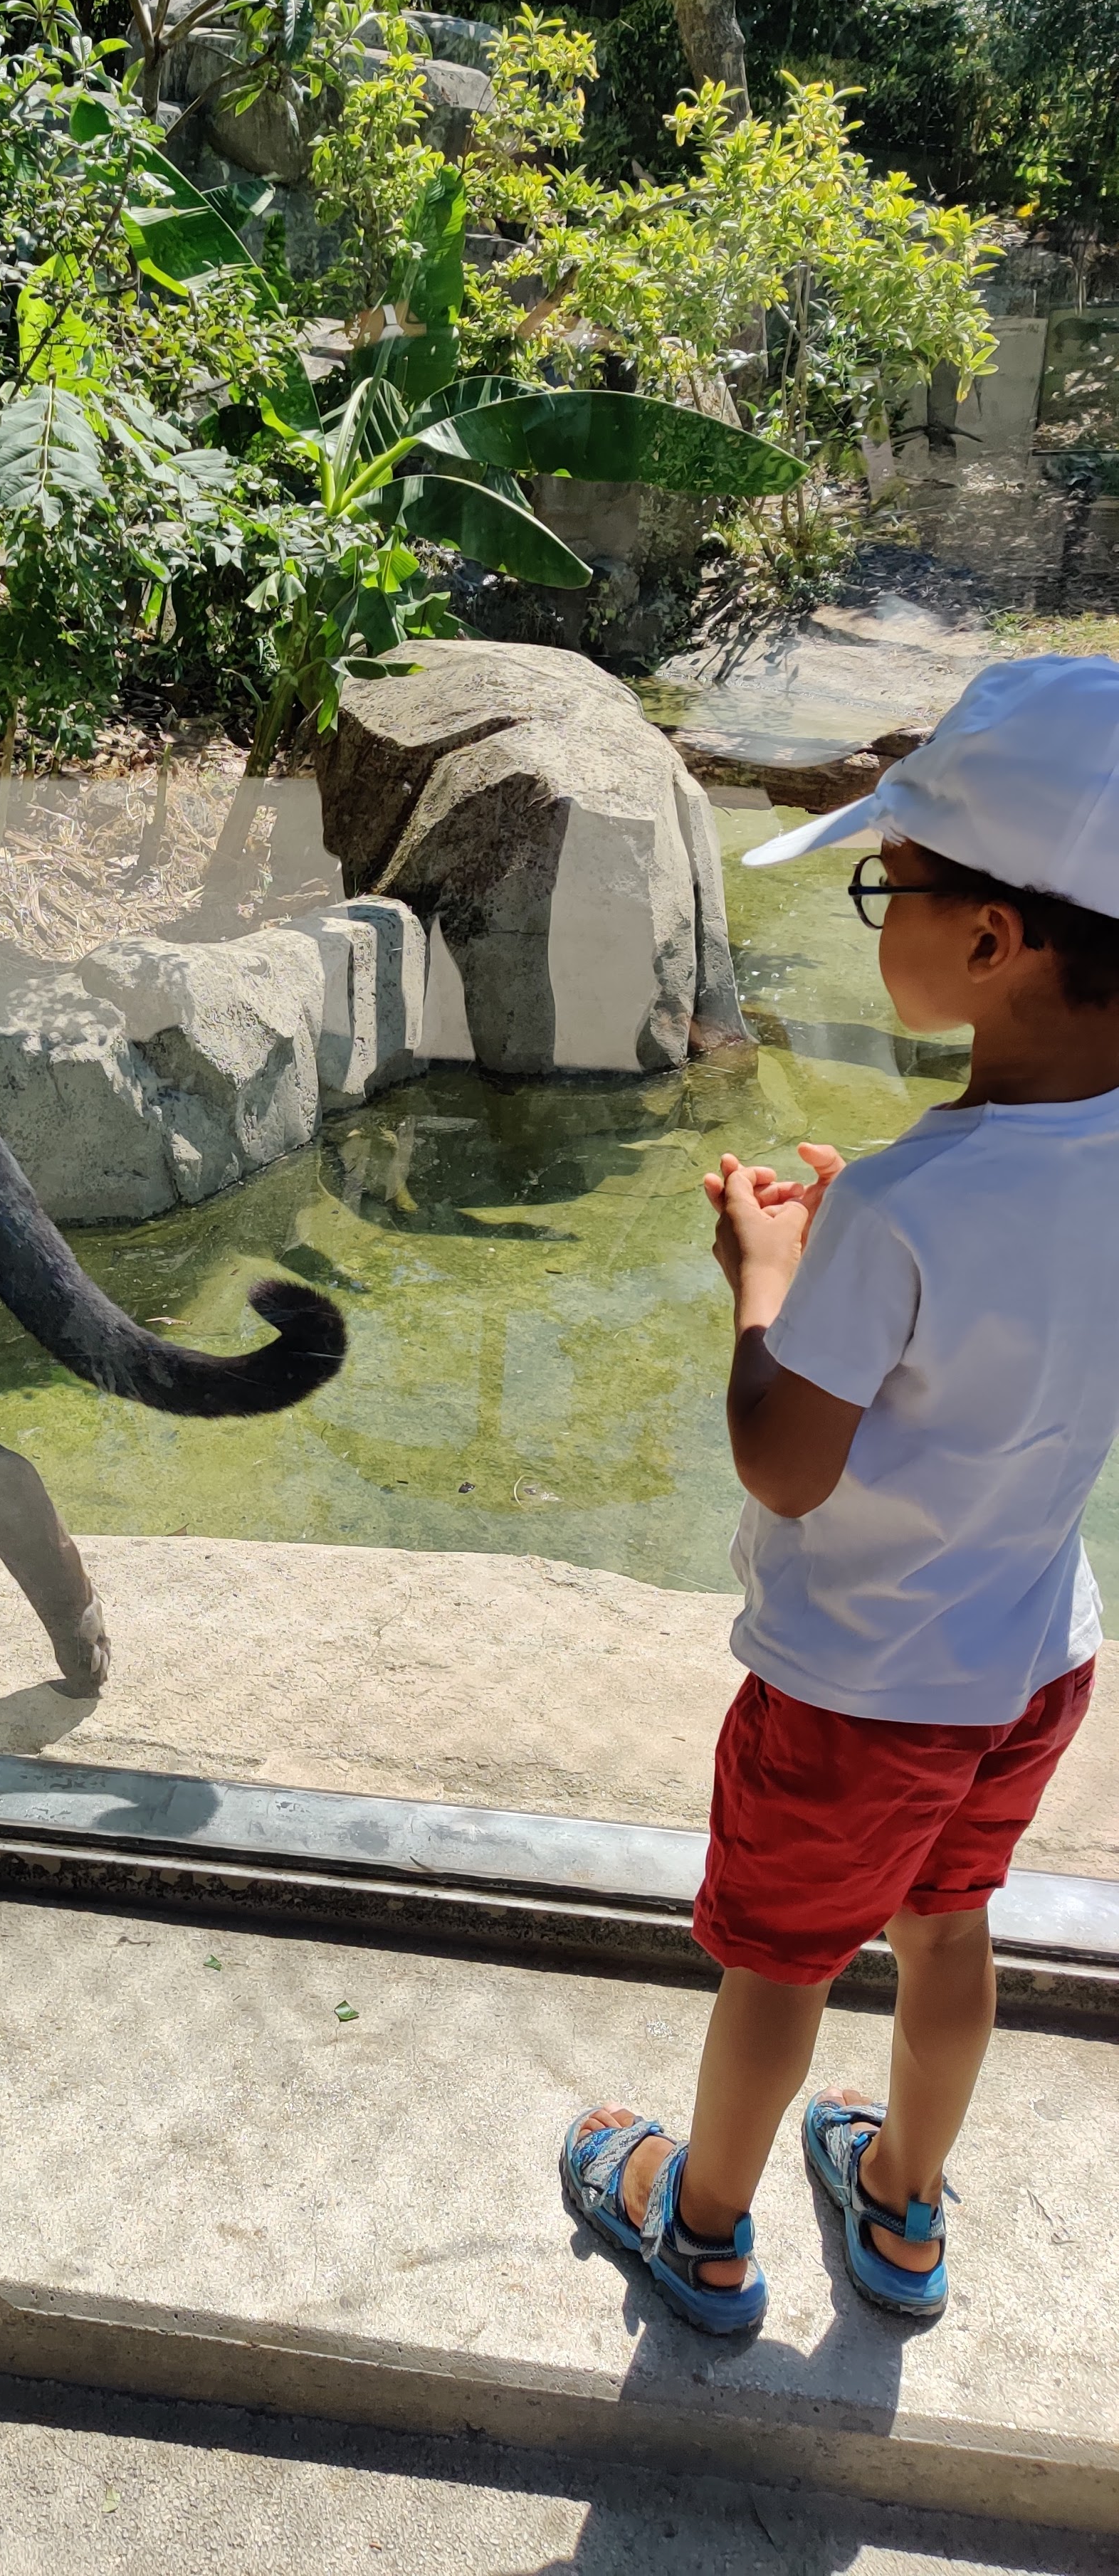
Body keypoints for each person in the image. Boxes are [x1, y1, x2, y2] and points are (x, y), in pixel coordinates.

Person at [562, 654, 1119, 2330]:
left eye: (898, 879)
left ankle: (704, 2222)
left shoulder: (897, 1205)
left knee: (783, 1961)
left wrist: (770, 1274)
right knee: (952, 1932)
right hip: (1034, 1656)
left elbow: (783, 1460)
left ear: (993, 938)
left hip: (859, 1688)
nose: (880, 907)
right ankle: (900, 2204)